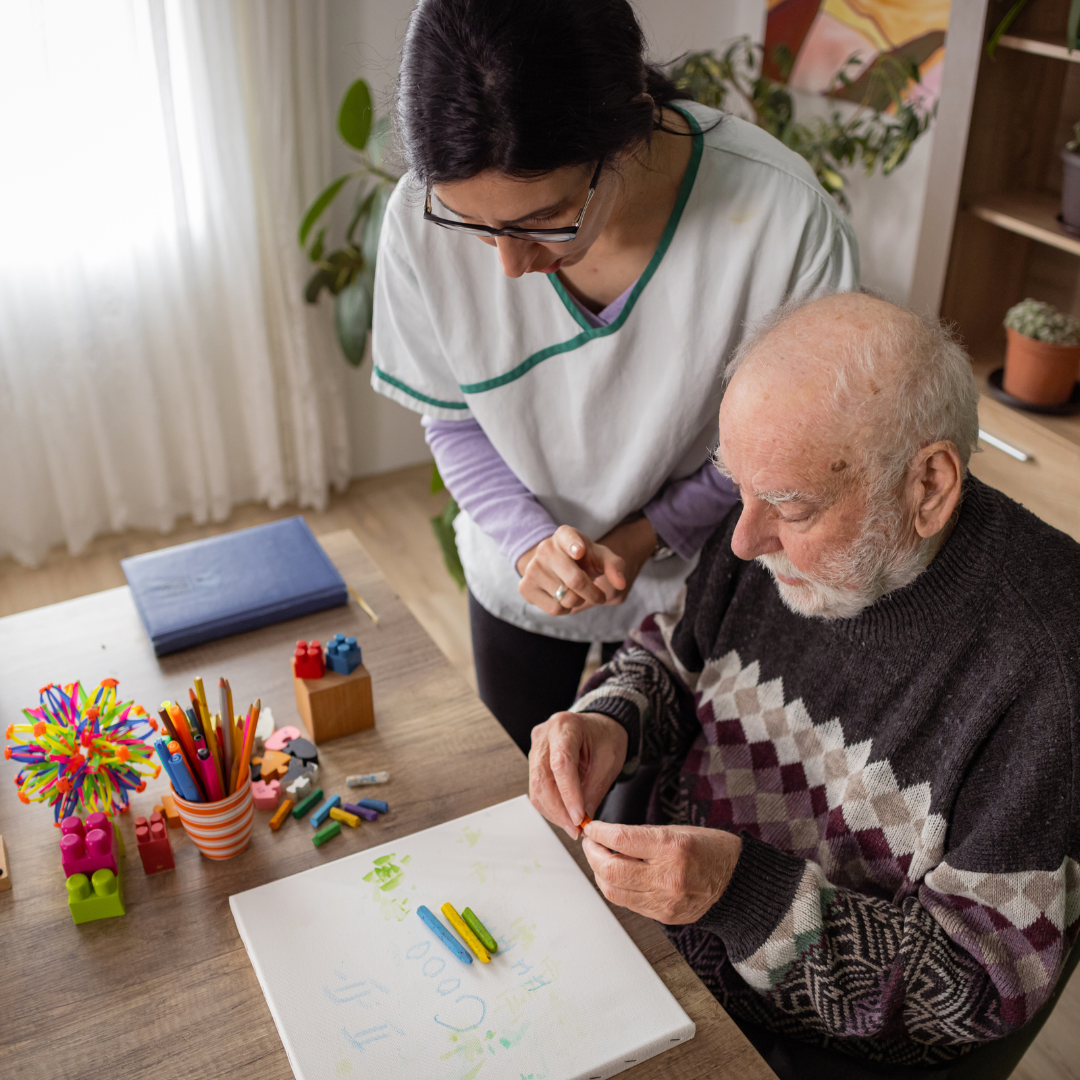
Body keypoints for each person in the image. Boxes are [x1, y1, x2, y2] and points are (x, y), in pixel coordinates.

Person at [528, 292, 1080, 1078]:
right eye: (737, 490)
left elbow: (982, 987)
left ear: (928, 486)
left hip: (801, 1047)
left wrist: (737, 895)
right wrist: (613, 718)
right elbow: (671, 657)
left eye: (790, 506)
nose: (745, 540)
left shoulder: (1047, 672)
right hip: (649, 944)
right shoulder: (765, 523)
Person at [371, 0, 858, 754]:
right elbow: (454, 417)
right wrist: (530, 543)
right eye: (477, 227)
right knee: (526, 787)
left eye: (549, 217)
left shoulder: (780, 219)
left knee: (655, 807)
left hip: (700, 584)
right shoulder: (418, 218)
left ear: (630, 126)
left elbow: (782, 445)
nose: (510, 264)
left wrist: (648, 534)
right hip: (520, 572)